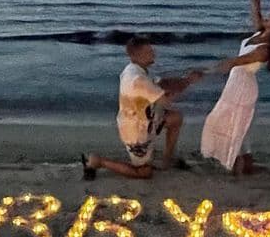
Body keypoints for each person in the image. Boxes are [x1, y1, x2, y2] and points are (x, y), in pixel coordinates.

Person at [200, 0, 270, 175]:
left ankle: (239, 164)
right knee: (236, 128)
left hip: (243, 87)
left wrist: (206, 71)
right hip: (237, 83)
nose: (268, 17)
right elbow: (255, 4)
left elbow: (235, 61)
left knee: (232, 126)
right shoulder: (260, 32)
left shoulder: (265, 49)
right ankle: (243, 163)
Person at [82, 35, 202, 180]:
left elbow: (162, 83)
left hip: (148, 119)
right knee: (144, 173)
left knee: (175, 118)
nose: (154, 54)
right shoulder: (138, 80)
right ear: (137, 55)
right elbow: (166, 101)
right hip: (136, 132)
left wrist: (184, 79)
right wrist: (189, 81)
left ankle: (167, 160)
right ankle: (98, 161)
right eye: (149, 52)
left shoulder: (136, 69)